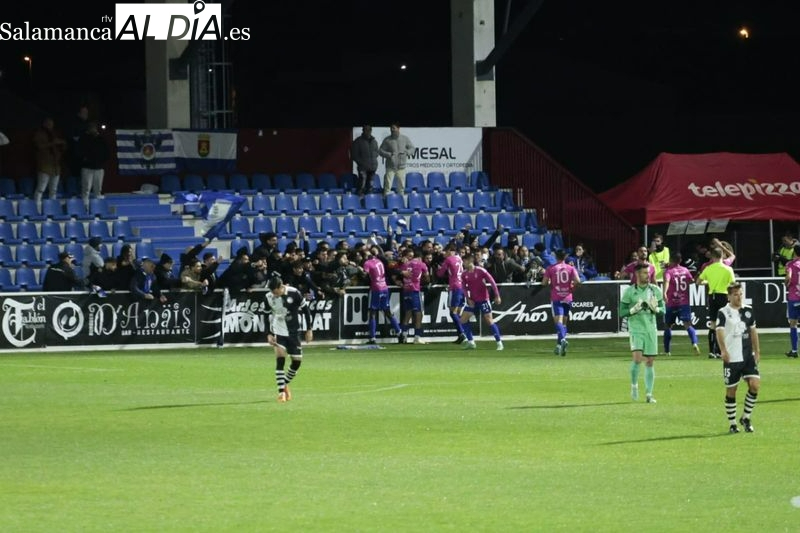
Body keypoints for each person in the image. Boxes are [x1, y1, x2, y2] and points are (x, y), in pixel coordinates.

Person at [716, 283, 760, 433]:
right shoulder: (723, 312)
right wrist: (723, 350)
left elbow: (753, 331)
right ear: (729, 296)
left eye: (740, 294)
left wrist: (757, 351)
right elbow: (719, 331)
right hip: (732, 357)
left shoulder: (748, 310)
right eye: (735, 294)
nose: (739, 297)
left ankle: (746, 417)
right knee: (731, 391)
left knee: (754, 385)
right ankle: (733, 424)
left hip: (748, 356)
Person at [620, 263, 665, 403]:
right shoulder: (629, 291)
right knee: (637, 358)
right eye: (645, 273)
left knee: (650, 361)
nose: (648, 275)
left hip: (651, 328)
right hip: (636, 328)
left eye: (648, 272)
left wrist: (655, 309)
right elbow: (621, 312)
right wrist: (633, 310)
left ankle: (649, 394)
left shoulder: (655, 290)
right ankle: (634, 386)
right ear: (637, 275)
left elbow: (663, 310)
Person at [265, 274, 313, 403]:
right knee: (280, 359)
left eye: (276, 293)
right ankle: (281, 393)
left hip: (293, 332)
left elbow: (306, 310)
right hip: (278, 330)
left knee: (296, 363)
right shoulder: (269, 297)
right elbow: (267, 315)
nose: (274, 295)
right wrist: (269, 333)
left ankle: (284, 383)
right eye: (272, 293)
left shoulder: (294, 293)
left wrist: (309, 329)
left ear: (281, 287)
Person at [697, 247, 736, 359]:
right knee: (724, 324)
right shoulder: (728, 269)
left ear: (713, 257)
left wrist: (707, 282)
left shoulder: (709, 268)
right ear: (722, 256)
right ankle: (720, 351)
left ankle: (711, 351)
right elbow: (733, 284)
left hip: (712, 296)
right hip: (724, 296)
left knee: (713, 324)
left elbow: (698, 282)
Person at [460, 253, 504, 351]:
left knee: (489, 320)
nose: (463, 263)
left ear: (470, 261)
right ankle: (471, 342)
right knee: (463, 320)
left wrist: (497, 295)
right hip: (473, 301)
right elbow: (464, 287)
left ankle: (499, 342)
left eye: (464, 261)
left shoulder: (480, 270)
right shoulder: (464, 274)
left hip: (483, 299)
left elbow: (492, 282)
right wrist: (468, 298)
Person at [542, 249, 580, 356]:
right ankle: (559, 346)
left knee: (558, 321)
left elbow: (544, 283)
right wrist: (572, 287)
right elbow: (578, 281)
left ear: (555, 256)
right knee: (564, 323)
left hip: (557, 297)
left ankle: (562, 340)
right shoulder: (571, 268)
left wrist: (549, 282)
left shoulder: (551, 268)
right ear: (565, 257)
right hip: (568, 297)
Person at [662, 253, 700, 356]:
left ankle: (667, 351)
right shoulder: (685, 270)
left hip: (671, 302)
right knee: (688, 325)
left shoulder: (669, 271)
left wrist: (664, 292)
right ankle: (694, 343)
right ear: (680, 260)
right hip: (684, 302)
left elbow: (667, 281)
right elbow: (691, 281)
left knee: (668, 326)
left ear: (671, 260)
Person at [363, 248, 403, 344]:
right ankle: (399, 332)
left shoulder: (367, 263)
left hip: (376, 288)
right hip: (384, 287)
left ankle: (372, 337)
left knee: (372, 312)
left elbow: (365, 274)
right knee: (387, 311)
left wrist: (360, 270)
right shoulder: (379, 261)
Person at [398, 247, 429, 345]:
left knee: (408, 313)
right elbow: (427, 277)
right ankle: (417, 337)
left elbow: (399, 273)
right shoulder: (421, 264)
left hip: (406, 291)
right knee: (419, 313)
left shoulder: (405, 264)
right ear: (420, 257)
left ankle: (404, 335)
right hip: (415, 291)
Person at [436, 244, 467, 343]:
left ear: (450, 250)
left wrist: (439, 268)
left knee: (452, 312)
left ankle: (463, 333)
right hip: (462, 286)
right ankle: (461, 335)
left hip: (454, 287)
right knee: (457, 312)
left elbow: (440, 273)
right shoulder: (460, 258)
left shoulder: (449, 260)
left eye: (446, 251)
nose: (445, 253)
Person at [32, 117, 66, 206]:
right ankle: (36, 206)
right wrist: (52, 143)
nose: (50, 125)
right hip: (44, 166)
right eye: (48, 123)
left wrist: (62, 143)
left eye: (51, 124)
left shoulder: (55, 134)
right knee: (41, 188)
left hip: (55, 166)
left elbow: (62, 147)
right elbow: (39, 146)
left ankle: (52, 207)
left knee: (54, 189)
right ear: (44, 124)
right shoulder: (39, 134)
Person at [77, 121, 109, 211]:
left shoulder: (101, 139)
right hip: (87, 168)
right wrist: (85, 159)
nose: (93, 130)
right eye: (91, 128)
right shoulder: (83, 139)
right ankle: (84, 208)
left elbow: (106, 152)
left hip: (99, 168)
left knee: (98, 190)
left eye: (94, 128)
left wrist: (101, 162)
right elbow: (79, 152)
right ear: (88, 129)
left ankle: (97, 208)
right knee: (86, 189)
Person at [378, 122, 414, 198]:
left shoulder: (405, 138)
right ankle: (386, 201)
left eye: (394, 128)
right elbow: (380, 151)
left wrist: (407, 152)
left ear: (398, 128)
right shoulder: (387, 140)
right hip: (390, 167)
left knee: (401, 187)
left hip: (401, 167)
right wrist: (388, 154)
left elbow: (412, 149)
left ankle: (401, 202)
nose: (392, 130)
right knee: (387, 186)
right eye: (391, 128)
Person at [351, 125, 379, 197]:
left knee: (370, 187)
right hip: (363, 168)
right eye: (366, 130)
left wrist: (373, 161)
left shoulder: (374, 141)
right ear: (363, 130)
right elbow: (354, 155)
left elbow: (376, 152)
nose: (368, 131)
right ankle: (359, 201)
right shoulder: (358, 141)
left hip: (372, 168)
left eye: (369, 130)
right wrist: (362, 163)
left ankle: (368, 202)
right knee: (361, 186)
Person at [784, 243, 800, 358]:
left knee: (793, 324)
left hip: (794, 298)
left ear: (794, 252)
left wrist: (787, 284)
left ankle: (794, 350)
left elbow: (788, 277)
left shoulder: (790, 264)